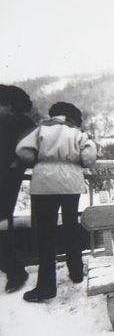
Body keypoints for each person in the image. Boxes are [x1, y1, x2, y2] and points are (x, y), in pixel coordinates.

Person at [16, 102, 97, 302]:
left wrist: (40, 161)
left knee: (45, 234)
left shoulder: (40, 129)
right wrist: (75, 161)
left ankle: (46, 287)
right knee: (71, 226)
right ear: (71, 117)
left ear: (54, 114)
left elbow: (21, 150)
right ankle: (76, 272)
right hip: (71, 184)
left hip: (44, 185)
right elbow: (89, 156)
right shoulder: (78, 132)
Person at [0, 85, 36, 293]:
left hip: (6, 182)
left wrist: (17, 163)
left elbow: (34, 149)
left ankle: (14, 271)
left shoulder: (22, 123)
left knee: (3, 225)